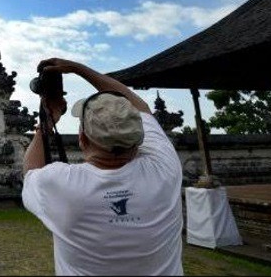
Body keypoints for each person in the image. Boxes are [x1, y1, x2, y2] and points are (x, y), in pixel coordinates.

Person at [22, 58, 183, 276]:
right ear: (139, 139)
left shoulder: (59, 183)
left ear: (82, 138)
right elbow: (141, 107)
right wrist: (79, 69)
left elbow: (31, 172)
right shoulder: (165, 168)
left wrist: (45, 126)